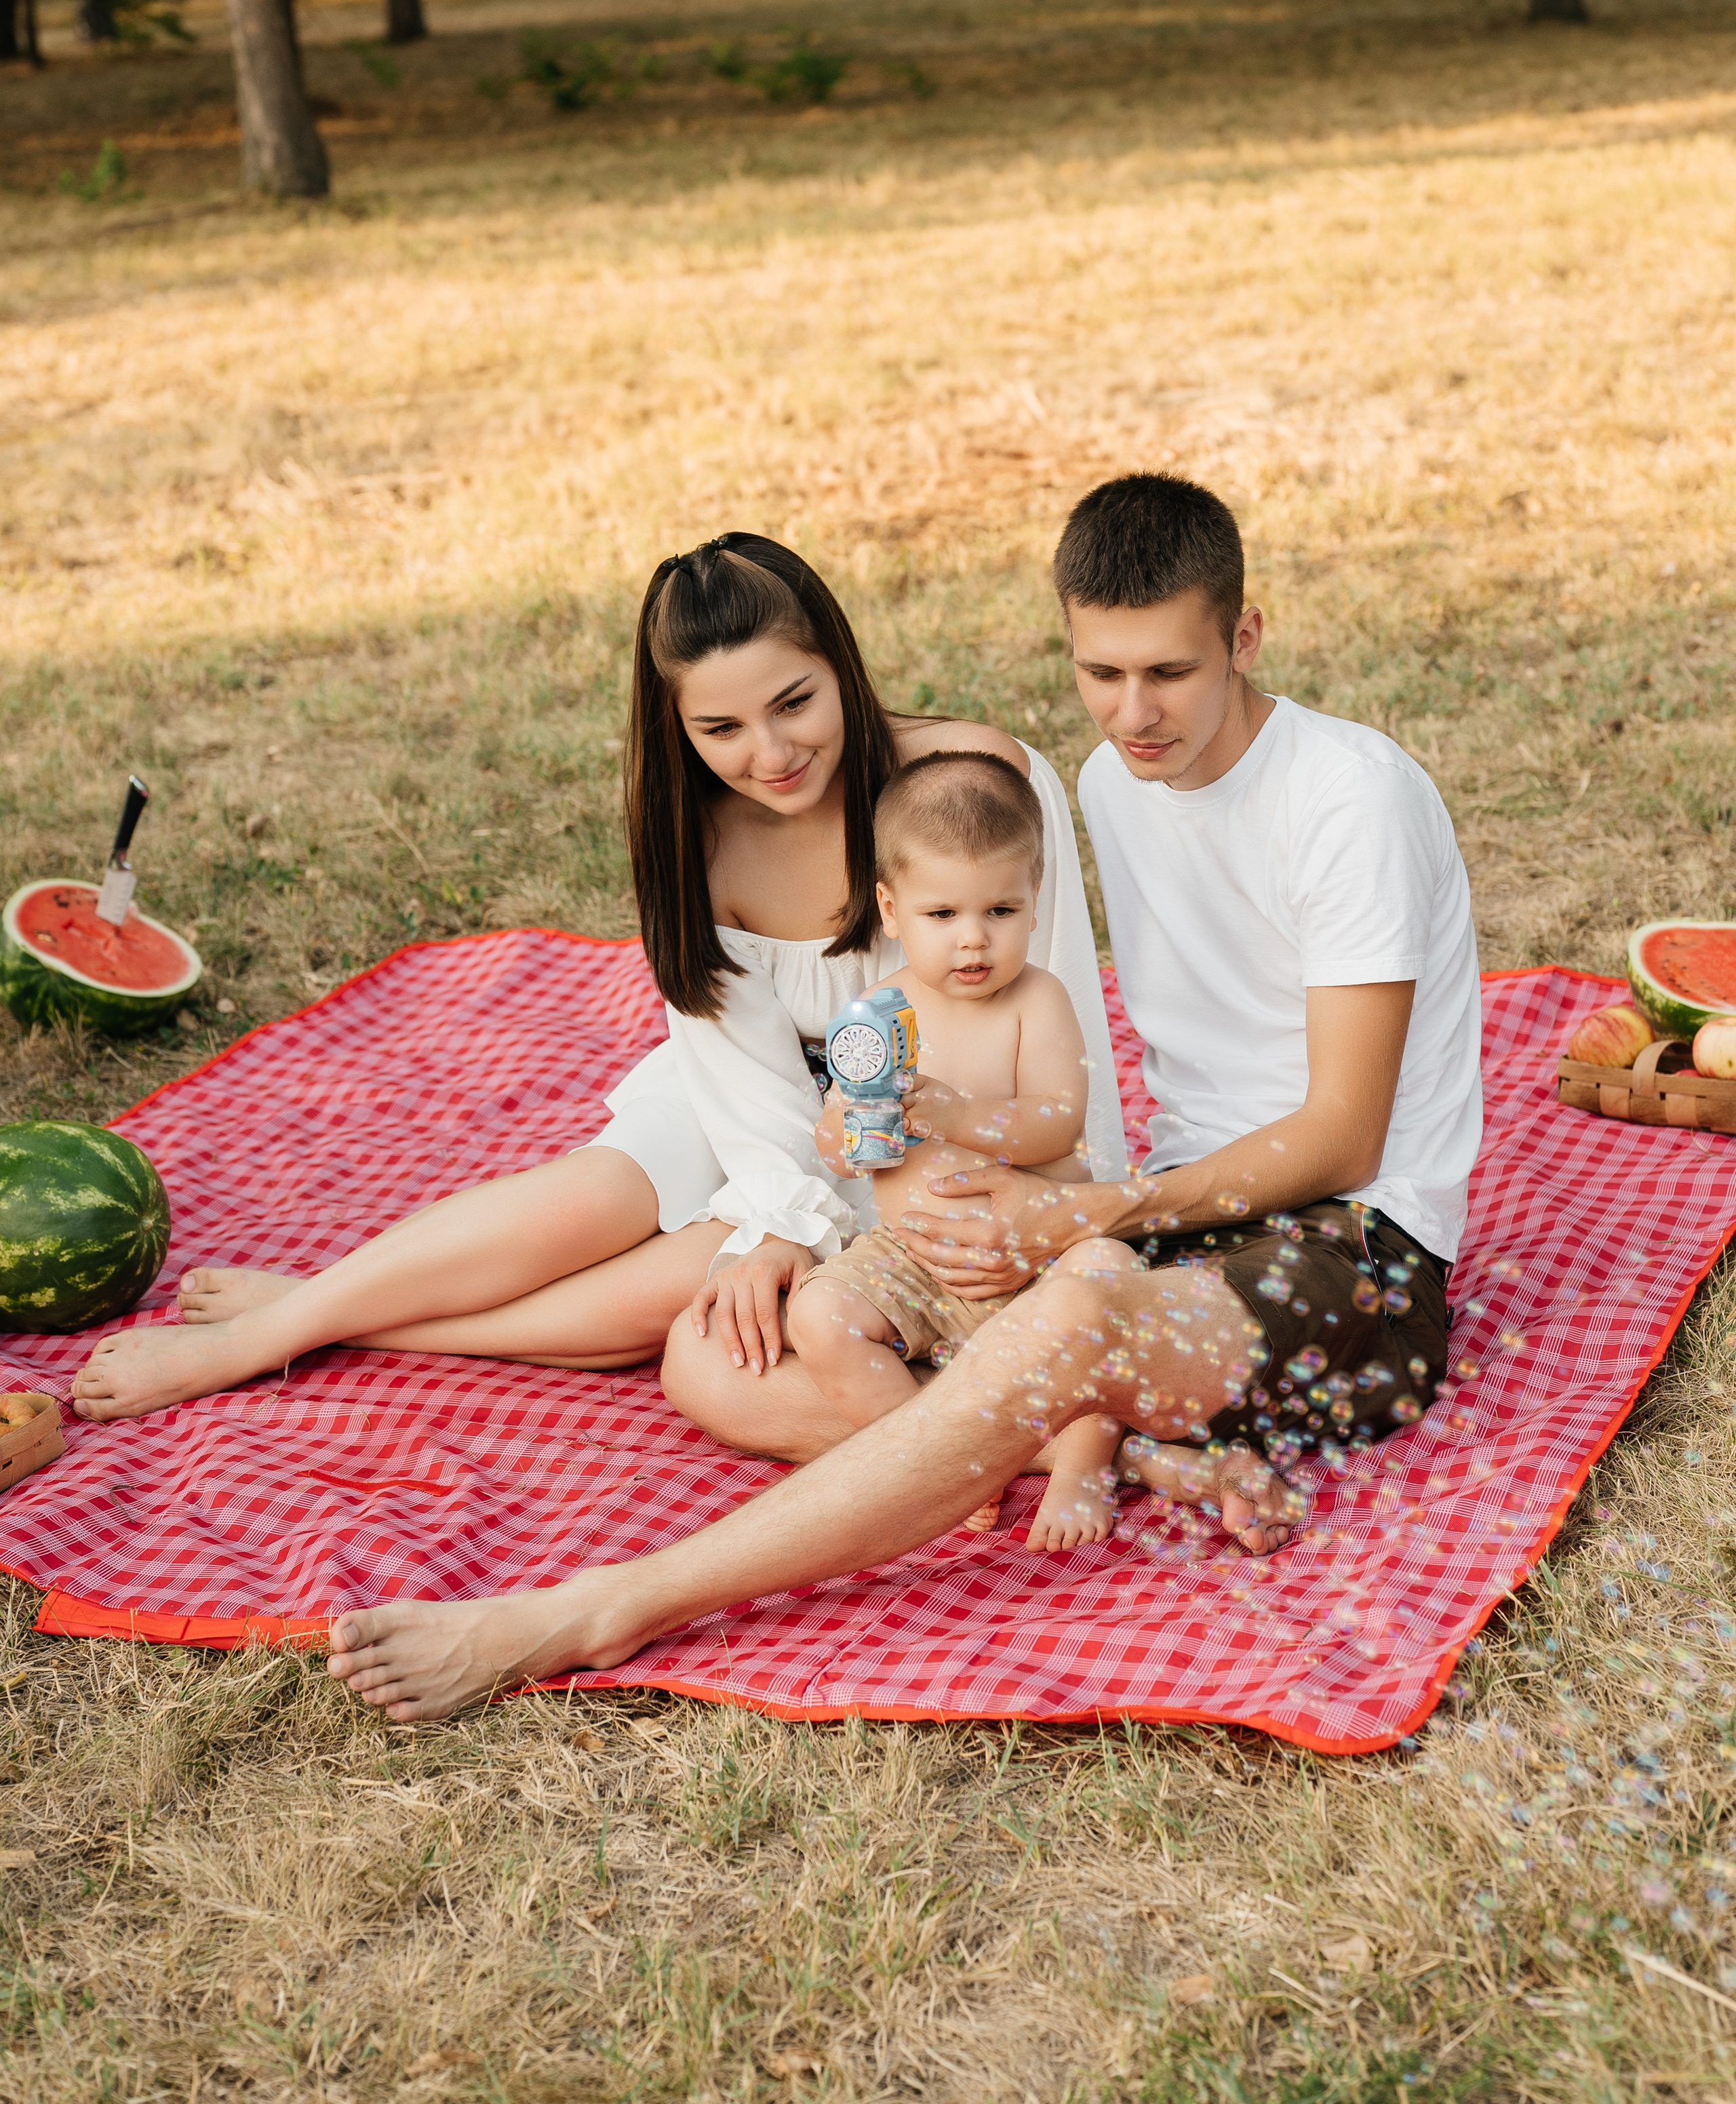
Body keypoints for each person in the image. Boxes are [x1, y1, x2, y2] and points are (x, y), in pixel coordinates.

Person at [318, 471, 1485, 1723]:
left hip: (1355, 1257)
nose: (1134, 712)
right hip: (1167, 1229)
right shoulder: (1108, 781)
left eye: (1170, 673)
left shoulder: (1347, 796)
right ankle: (1140, 1456)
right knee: (712, 1365)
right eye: (1102, 672)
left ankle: (601, 1604)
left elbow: (1340, 1134)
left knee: (1057, 1332)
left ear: (1244, 638)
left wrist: (1081, 1205)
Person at [68, 534, 1124, 1425]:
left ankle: (325, 1316)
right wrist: (779, 1216)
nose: (769, 753)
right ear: (677, 727)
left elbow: (1054, 1017)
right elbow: (738, 1073)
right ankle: (288, 1327)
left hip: (918, 1137)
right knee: (592, 1199)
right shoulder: (695, 838)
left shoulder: (976, 784)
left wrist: (1016, 1208)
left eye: (794, 702)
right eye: (719, 729)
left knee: (681, 1288)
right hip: (753, 1095)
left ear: (840, 664)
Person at [786, 748, 1131, 1553]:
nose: (973, 941)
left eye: (1000, 911)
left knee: (1110, 1275)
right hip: (914, 1255)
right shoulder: (879, 1010)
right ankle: (945, 1458)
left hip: (1037, 1255)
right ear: (891, 907)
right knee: (819, 1313)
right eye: (943, 915)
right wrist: (843, 1132)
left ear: (1033, 902)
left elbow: (1055, 1121)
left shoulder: (1037, 1000)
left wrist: (956, 1110)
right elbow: (841, 1134)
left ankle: (1084, 1463)